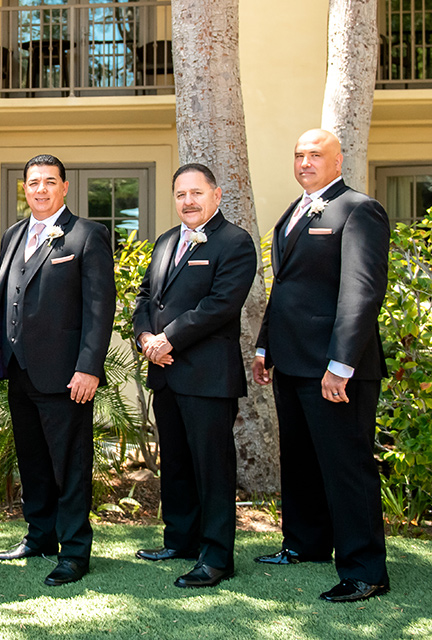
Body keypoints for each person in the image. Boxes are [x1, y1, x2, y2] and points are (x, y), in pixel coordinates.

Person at [252, 129, 390, 603]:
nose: (306, 162)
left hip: (336, 369)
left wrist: (341, 364)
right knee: (302, 460)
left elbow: (362, 292)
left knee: (346, 466)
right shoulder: (292, 213)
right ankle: (306, 544)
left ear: (338, 160)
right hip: (291, 364)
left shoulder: (358, 209)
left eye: (316, 154)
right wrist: (265, 346)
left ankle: (365, 570)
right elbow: (285, 288)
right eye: (299, 155)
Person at [0, 154, 116, 586]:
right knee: (34, 461)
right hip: (21, 371)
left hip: (67, 375)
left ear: (65, 187)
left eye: (49, 182)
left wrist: (89, 367)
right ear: (24, 188)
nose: (40, 189)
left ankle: (75, 550)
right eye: (33, 182)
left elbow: (100, 307)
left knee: (71, 465)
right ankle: (40, 536)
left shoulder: (88, 235)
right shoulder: (13, 235)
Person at [132, 163, 256, 588]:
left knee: (212, 467)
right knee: (178, 464)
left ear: (216, 195)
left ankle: (217, 556)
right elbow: (147, 294)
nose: (188, 201)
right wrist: (146, 335)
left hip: (207, 376)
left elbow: (221, 305)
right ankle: (180, 539)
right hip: (165, 371)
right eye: (181, 194)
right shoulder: (167, 241)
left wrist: (169, 339)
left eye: (197, 193)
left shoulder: (236, 243)